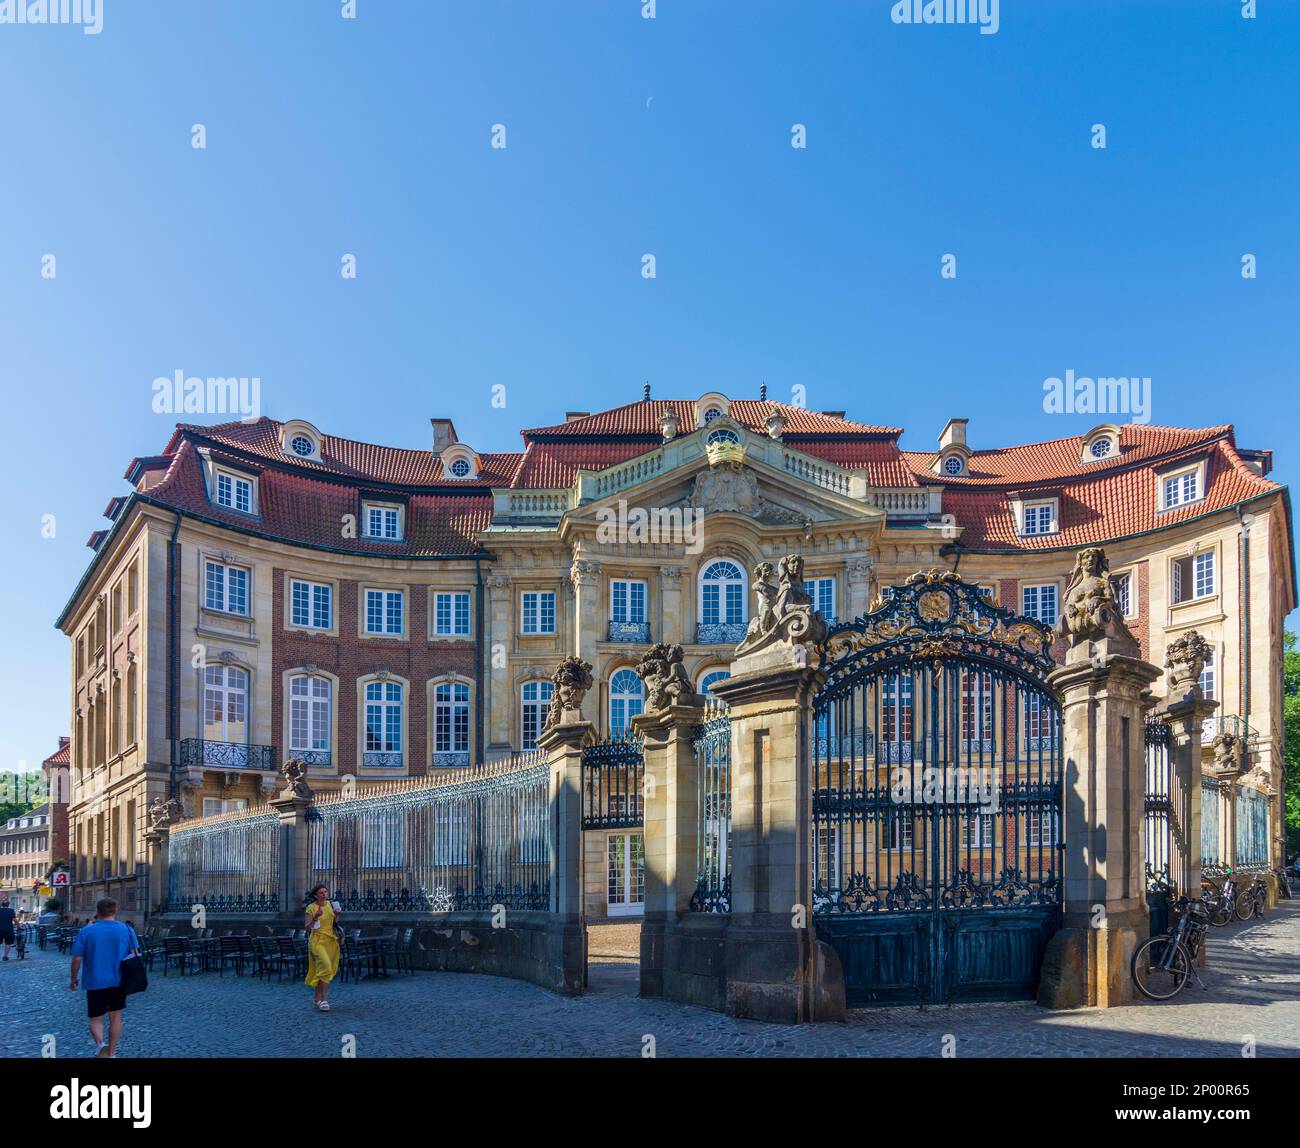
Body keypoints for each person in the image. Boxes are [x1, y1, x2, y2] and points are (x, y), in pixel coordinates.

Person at [69, 898, 138, 1058]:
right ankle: (112, 1053)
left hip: (95, 981)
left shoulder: (87, 931)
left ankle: (100, 1045)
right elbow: (134, 954)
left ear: (98, 911)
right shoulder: (127, 930)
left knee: (95, 1018)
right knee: (115, 1017)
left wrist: (73, 978)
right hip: (118, 980)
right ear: (116, 911)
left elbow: (77, 958)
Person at [303, 884, 341, 1011]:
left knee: (322, 969)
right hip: (317, 941)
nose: (324, 894)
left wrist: (337, 915)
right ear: (316, 895)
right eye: (321, 893)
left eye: (325, 892)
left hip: (330, 940)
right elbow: (307, 927)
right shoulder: (311, 907)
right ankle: (324, 1000)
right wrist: (315, 917)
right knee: (325, 966)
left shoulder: (330, 905)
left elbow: (334, 923)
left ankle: (317, 998)